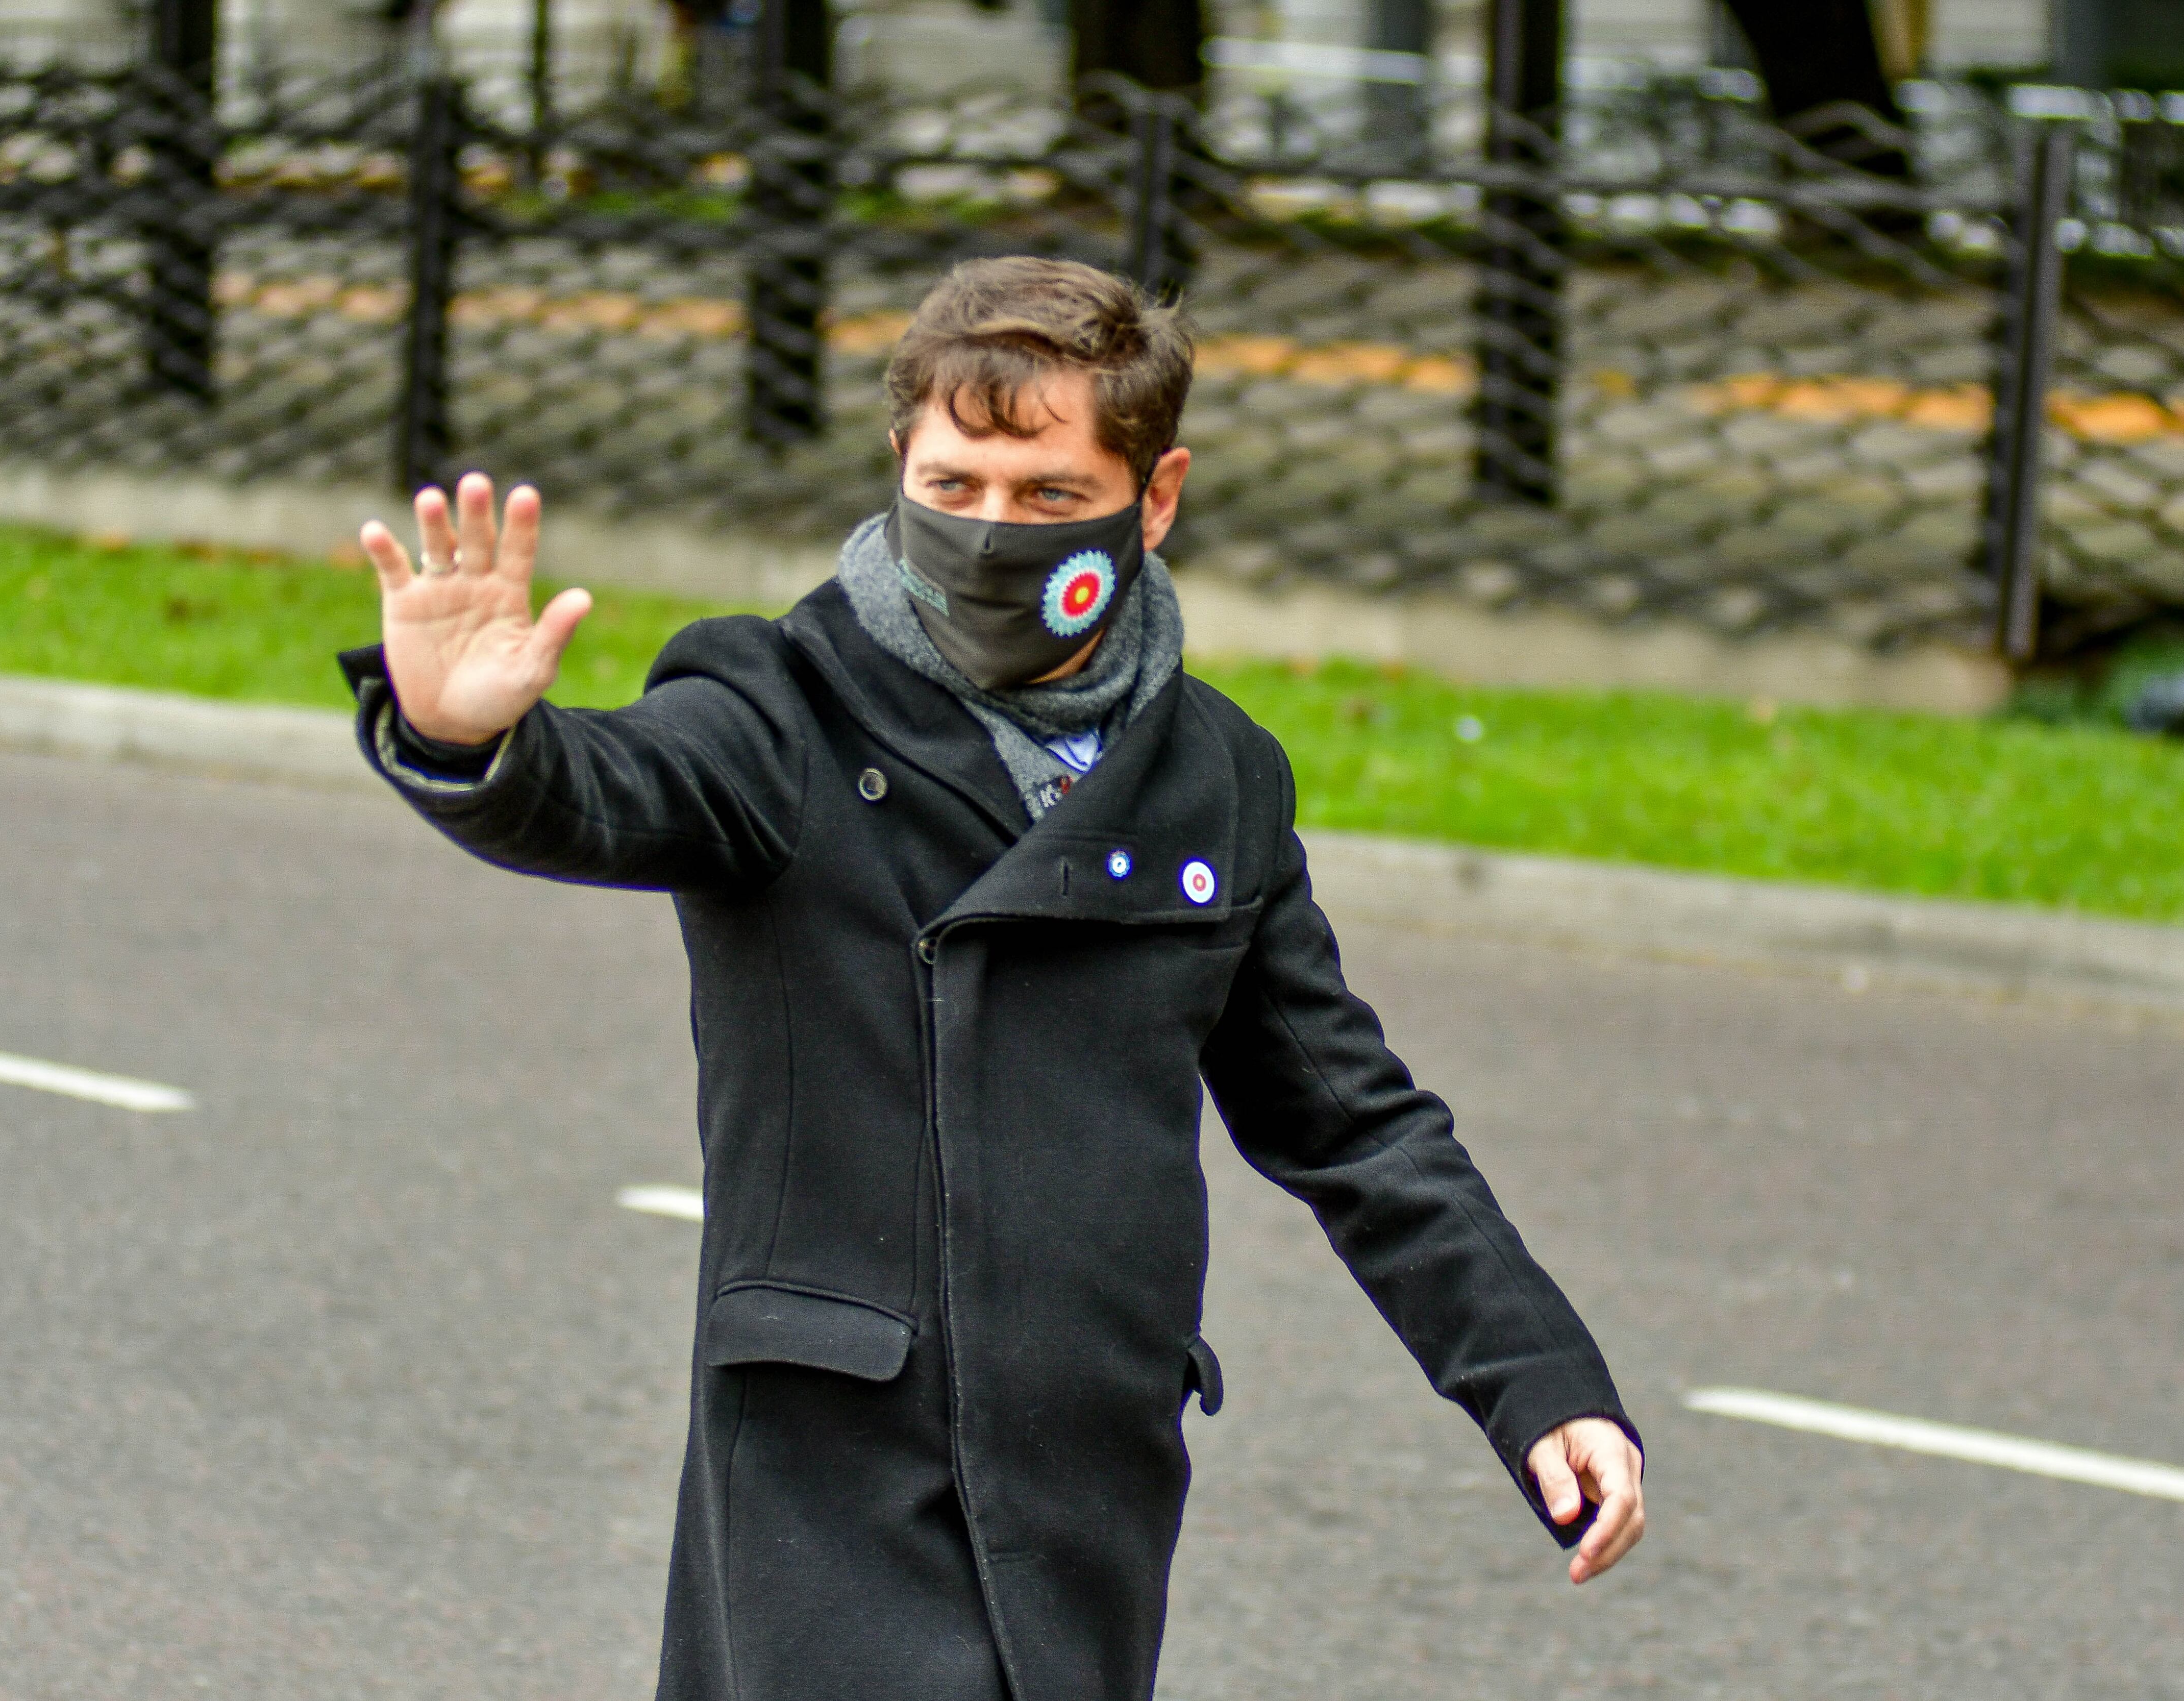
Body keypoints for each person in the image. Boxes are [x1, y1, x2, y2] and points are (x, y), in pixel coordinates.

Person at [341, 256, 1643, 1701]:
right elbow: (612, 792)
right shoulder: (774, 709)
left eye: (1046, 500)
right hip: (834, 1485)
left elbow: (1355, 1124)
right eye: (951, 488)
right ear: (900, 461)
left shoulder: (1215, 777)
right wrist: (472, 751)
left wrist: (1539, 1382)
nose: (987, 536)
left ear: (1154, 501)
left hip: (1084, 1472)